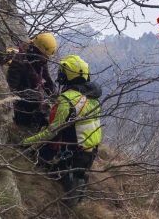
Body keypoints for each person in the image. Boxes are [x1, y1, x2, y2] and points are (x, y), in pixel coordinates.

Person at [22, 55, 102, 187]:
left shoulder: (68, 99)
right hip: (88, 155)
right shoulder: (94, 99)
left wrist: (26, 143)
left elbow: (52, 132)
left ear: (68, 74)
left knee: (37, 153)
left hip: (69, 155)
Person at [7, 33, 57, 129]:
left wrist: (54, 93)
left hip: (33, 98)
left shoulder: (39, 61)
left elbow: (48, 79)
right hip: (22, 104)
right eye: (45, 56)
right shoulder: (19, 62)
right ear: (37, 51)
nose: (46, 60)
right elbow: (12, 88)